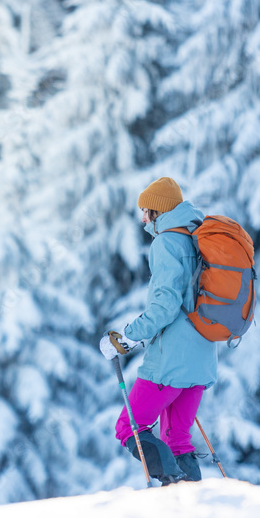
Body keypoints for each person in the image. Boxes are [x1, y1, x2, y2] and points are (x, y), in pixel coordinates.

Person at [99, 177, 217, 485]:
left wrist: (127, 337)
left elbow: (165, 305)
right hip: (202, 357)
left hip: (170, 362)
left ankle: (174, 489)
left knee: (129, 427)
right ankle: (192, 499)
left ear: (158, 212)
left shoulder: (166, 242)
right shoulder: (197, 238)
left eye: (145, 211)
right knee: (177, 438)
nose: (142, 218)